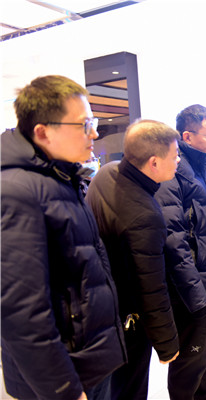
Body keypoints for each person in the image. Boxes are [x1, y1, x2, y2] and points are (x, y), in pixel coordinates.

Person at [1, 75, 126, 400]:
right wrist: (63, 388)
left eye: (93, 122)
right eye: (84, 124)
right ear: (43, 132)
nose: (94, 133)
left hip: (87, 358)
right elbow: (21, 310)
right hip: (64, 374)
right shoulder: (16, 191)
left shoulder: (61, 177)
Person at [85, 120, 181, 399]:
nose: (178, 160)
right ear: (154, 162)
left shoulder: (107, 172)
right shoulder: (144, 214)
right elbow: (150, 286)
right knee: (131, 388)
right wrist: (166, 342)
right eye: (175, 155)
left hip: (100, 309)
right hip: (128, 318)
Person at [155, 104, 206, 400]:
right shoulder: (173, 171)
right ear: (187, 136)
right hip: (190, 285)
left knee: (205, 352)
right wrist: (194, 290)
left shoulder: (201, 169)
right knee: (190, 358)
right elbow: (174, 239)